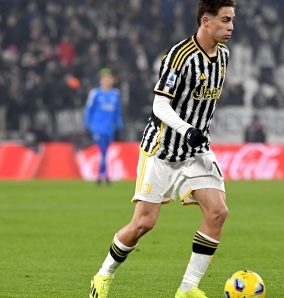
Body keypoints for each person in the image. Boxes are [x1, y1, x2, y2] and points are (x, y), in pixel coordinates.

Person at [89, 1, 236, 297]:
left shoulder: (223, 56)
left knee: (218, 212)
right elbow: (159, 104)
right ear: (206, 21)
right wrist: (187, 129)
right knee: (144, 223)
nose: (231, 26)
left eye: (232, 19)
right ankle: (103, 275)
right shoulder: (179, 56)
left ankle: (187, 289)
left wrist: (197, 135)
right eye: (225, 20)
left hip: (196, 151)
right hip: (162, 150)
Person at [84, 68, 124, 185]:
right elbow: (88, 110)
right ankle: (102, 175)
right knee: (102, 152)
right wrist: (87, 125)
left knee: (106, 152)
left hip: (109, 129)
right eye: (104, 79)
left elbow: (117, 112)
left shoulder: (115, 95)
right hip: (97, 128)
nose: (106, 81)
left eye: (108, 79)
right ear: (101, 80)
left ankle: (103, 175)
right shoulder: (95, 94)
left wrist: (120, 126)